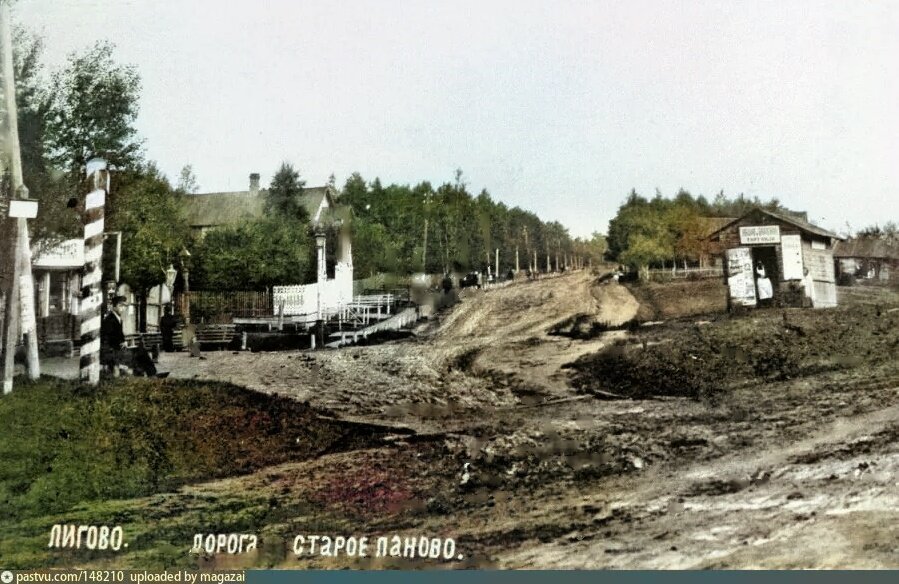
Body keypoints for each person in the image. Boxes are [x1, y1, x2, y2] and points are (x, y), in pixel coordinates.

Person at [101, 296, 129, 376]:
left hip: (116, 349)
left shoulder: (118, 319)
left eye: (124, 306)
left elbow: (120, 334)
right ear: (114, 307)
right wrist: (120, 343)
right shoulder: (109, 320)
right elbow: (108, 337)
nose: (122, 308)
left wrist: (123, 341)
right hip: (110, 350)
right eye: (120, 306)